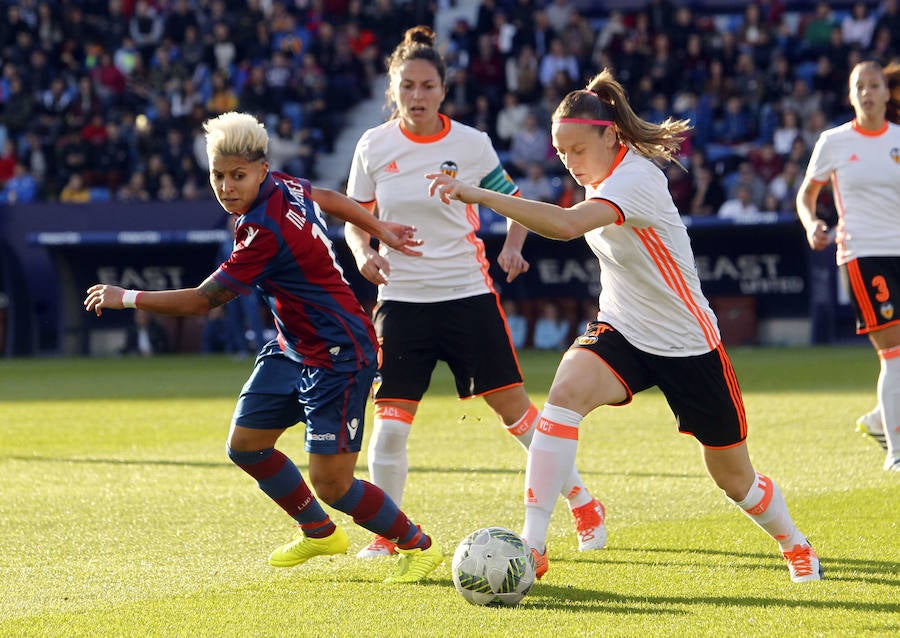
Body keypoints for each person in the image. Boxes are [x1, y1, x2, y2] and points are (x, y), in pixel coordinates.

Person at [427, 68, 822, 584]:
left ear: (609, 135)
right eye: (560, 152)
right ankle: (533, 545)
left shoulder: (636, 178)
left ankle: (795, 544)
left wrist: (477, 195)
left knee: (734, 480)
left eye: (576, 149)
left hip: (687, 342)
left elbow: (566, 227)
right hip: (623, 328)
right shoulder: (600, 179)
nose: (569, 163)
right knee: (563, 393)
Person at [83, 111, 444, 583]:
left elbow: (201, 302)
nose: (227, 186)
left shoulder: (262, 231)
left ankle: (417, 546)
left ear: (259, 169)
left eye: (238, 176)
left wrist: (126, 297)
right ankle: (318, 531)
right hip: (293, 346)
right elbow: (330, 198)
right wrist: (380, 228)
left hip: (338, 353)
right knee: (247, 446)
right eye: (218, 175)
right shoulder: (283, 185)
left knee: (333, 483)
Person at [344, 26, 606, 559]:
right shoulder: (373, 145)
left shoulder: (469, 143)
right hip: (401, 303)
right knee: (390, 428)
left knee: (518, 416)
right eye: (407, 86)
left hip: (467, 296)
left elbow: (512, 200)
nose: (417, 96)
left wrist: (513, 246)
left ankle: (582, 501)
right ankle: (387, 534)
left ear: (443, 90)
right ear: (392, 90)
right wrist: (363, 252)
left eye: (427, 86)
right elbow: (355, 218)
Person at [796, 60, 900, 472]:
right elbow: (807, 194)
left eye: (875, 85)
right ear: (851, 94)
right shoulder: (834, 142)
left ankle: (878, 419)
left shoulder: (898, 139)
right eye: (861, 87)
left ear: (888, 93)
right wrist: (811, 223)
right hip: (863, 252)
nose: (868, 93)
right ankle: (896, 452)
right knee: (893, 355)